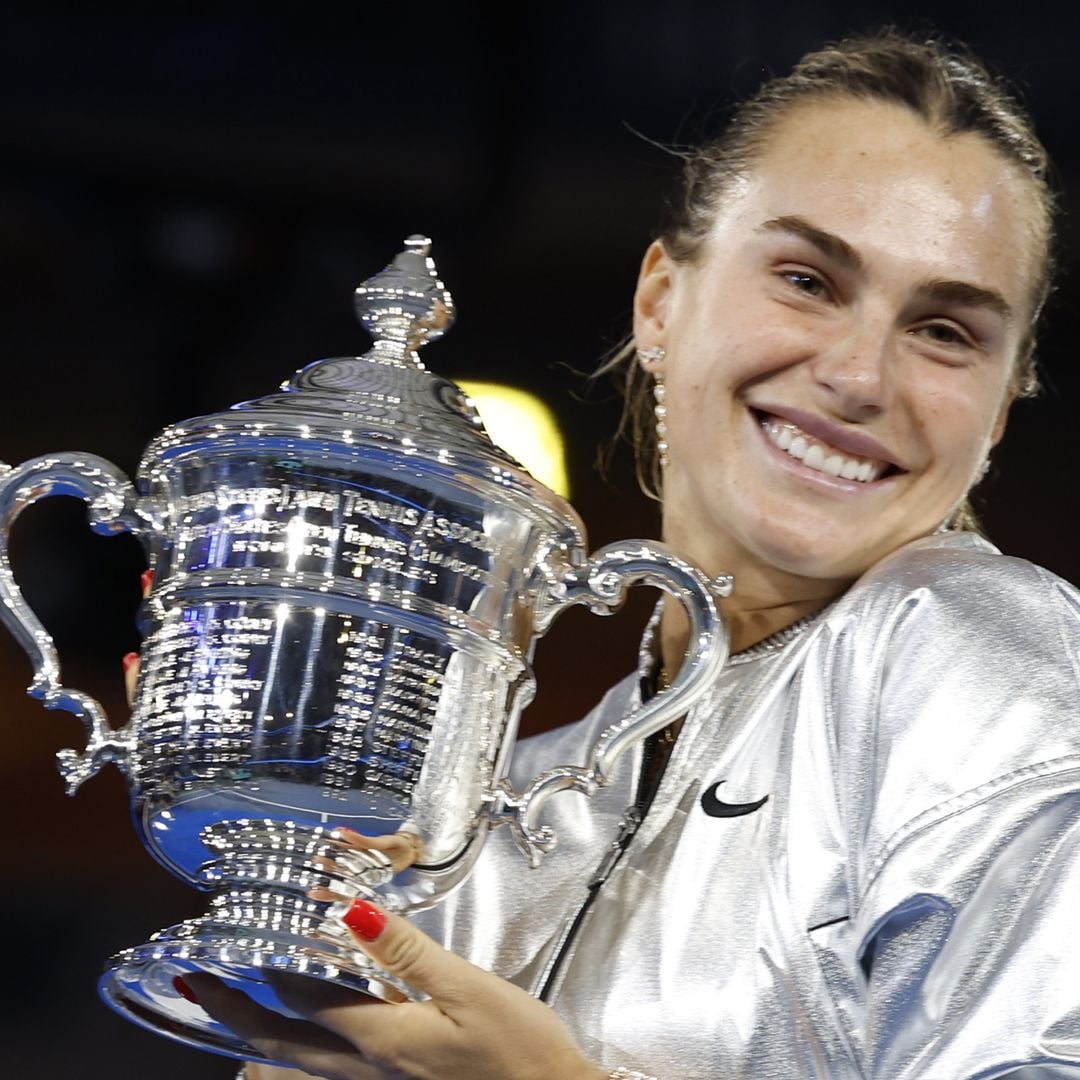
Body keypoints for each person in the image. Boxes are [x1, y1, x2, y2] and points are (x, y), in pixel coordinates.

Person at [159, 29, 1080, 1079]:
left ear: (999, 413)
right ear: (660, 303)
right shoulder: (498, 811)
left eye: (947, 332)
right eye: (808, 279)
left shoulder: (979, 653)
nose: (861, 375)